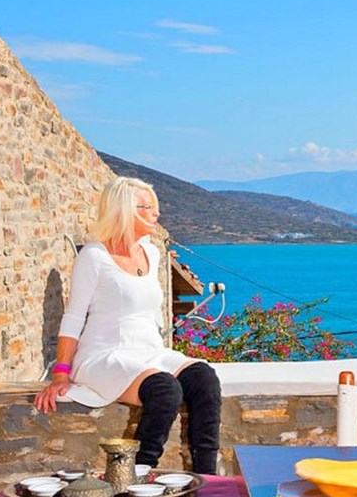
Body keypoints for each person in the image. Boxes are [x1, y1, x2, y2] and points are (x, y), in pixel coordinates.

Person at [34, 177, 222, 474]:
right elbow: (74, 316)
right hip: (105, 355)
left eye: (154, 207)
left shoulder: (152, 253)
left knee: (204, 378)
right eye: (146, 208)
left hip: (149, 353)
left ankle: (206, 478)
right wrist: (60, 374)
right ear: (122, 210)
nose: (155, 213)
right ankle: (136, 476)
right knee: (164, 390)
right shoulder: (94, 256)